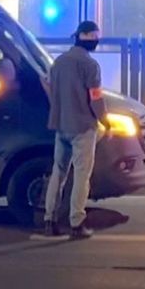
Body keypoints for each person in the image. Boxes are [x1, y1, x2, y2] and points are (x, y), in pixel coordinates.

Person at [43, 20, 108, 240]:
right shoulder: (90, 66)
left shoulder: (58, 63)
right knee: (82, 176)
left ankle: (49, 220)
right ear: (88, 37)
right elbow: (96, 99)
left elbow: (50, 89)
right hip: (83, 127)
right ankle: (77, 223)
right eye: (96, 37)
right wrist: (105, 121)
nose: (97, 41)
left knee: (58, 173)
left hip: (61, 126)